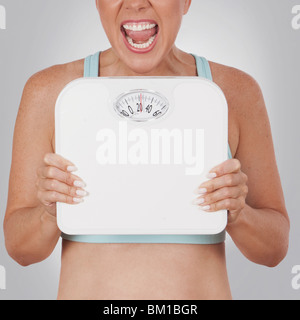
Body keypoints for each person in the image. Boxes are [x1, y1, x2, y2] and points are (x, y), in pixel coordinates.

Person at [4, 0, 290, 300]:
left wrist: (239, 213)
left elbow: (275, 249)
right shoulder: (51, 93)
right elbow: (19, 249)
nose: (137, 3)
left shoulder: (234, 92)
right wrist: (50, 214)